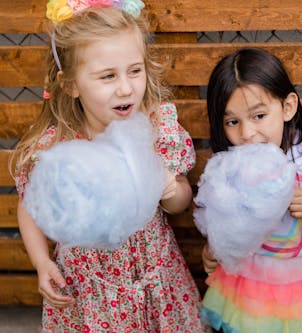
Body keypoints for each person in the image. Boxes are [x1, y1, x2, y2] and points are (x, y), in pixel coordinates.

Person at [10, 1, 209, 332]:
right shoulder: (59, 148)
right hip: (88, 289)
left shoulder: (155, 130)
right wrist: (41, 261)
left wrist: (169, 187)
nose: (126, 88)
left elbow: (180, 202)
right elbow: (30, 207)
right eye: (107, 76)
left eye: (134, 70)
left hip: (153, 279)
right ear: (71, 84)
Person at [200, 47, 302, 332]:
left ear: (287, 107)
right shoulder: (230, 165)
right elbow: (219, 217)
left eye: (258, 116)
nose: (246, 134)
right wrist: (214, 248)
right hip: (251, 278)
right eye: (233, 122)